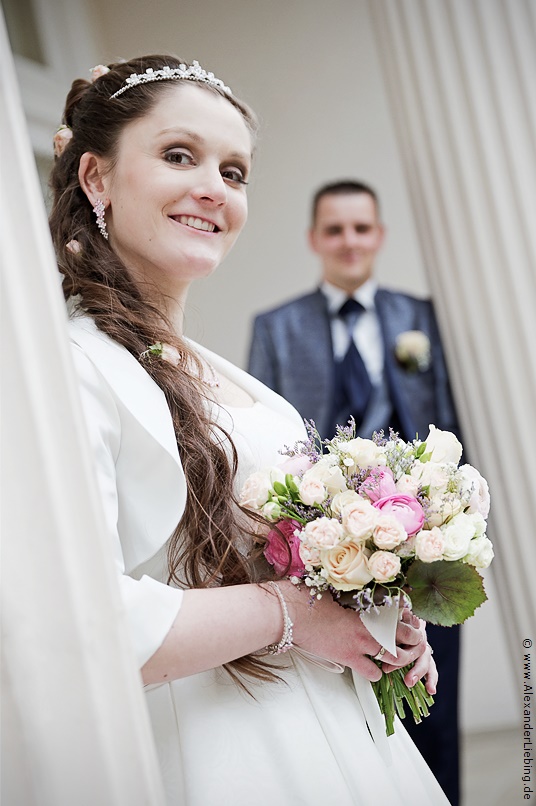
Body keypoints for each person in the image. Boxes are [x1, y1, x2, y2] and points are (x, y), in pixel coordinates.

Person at [49, 57, 449, 805]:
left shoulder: (220, 371)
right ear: (96, 178)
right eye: (178, 155)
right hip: (215, 753)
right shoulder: (71, 368)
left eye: (233, 172)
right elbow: (82, 627)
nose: (213, 187)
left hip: (332, 731)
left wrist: (367, 605)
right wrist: (292, 615)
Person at [248, 179, 462, 805]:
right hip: (325, 551)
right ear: (315, 239)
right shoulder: (276, 327)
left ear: (379, 236)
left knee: (432, 699)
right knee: (347, 706)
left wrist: (450, 524)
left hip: (425, 548)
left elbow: (452, 423)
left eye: (361, 228)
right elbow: (260, 445)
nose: (349, 241)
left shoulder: (422, 318)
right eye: (335, 229)